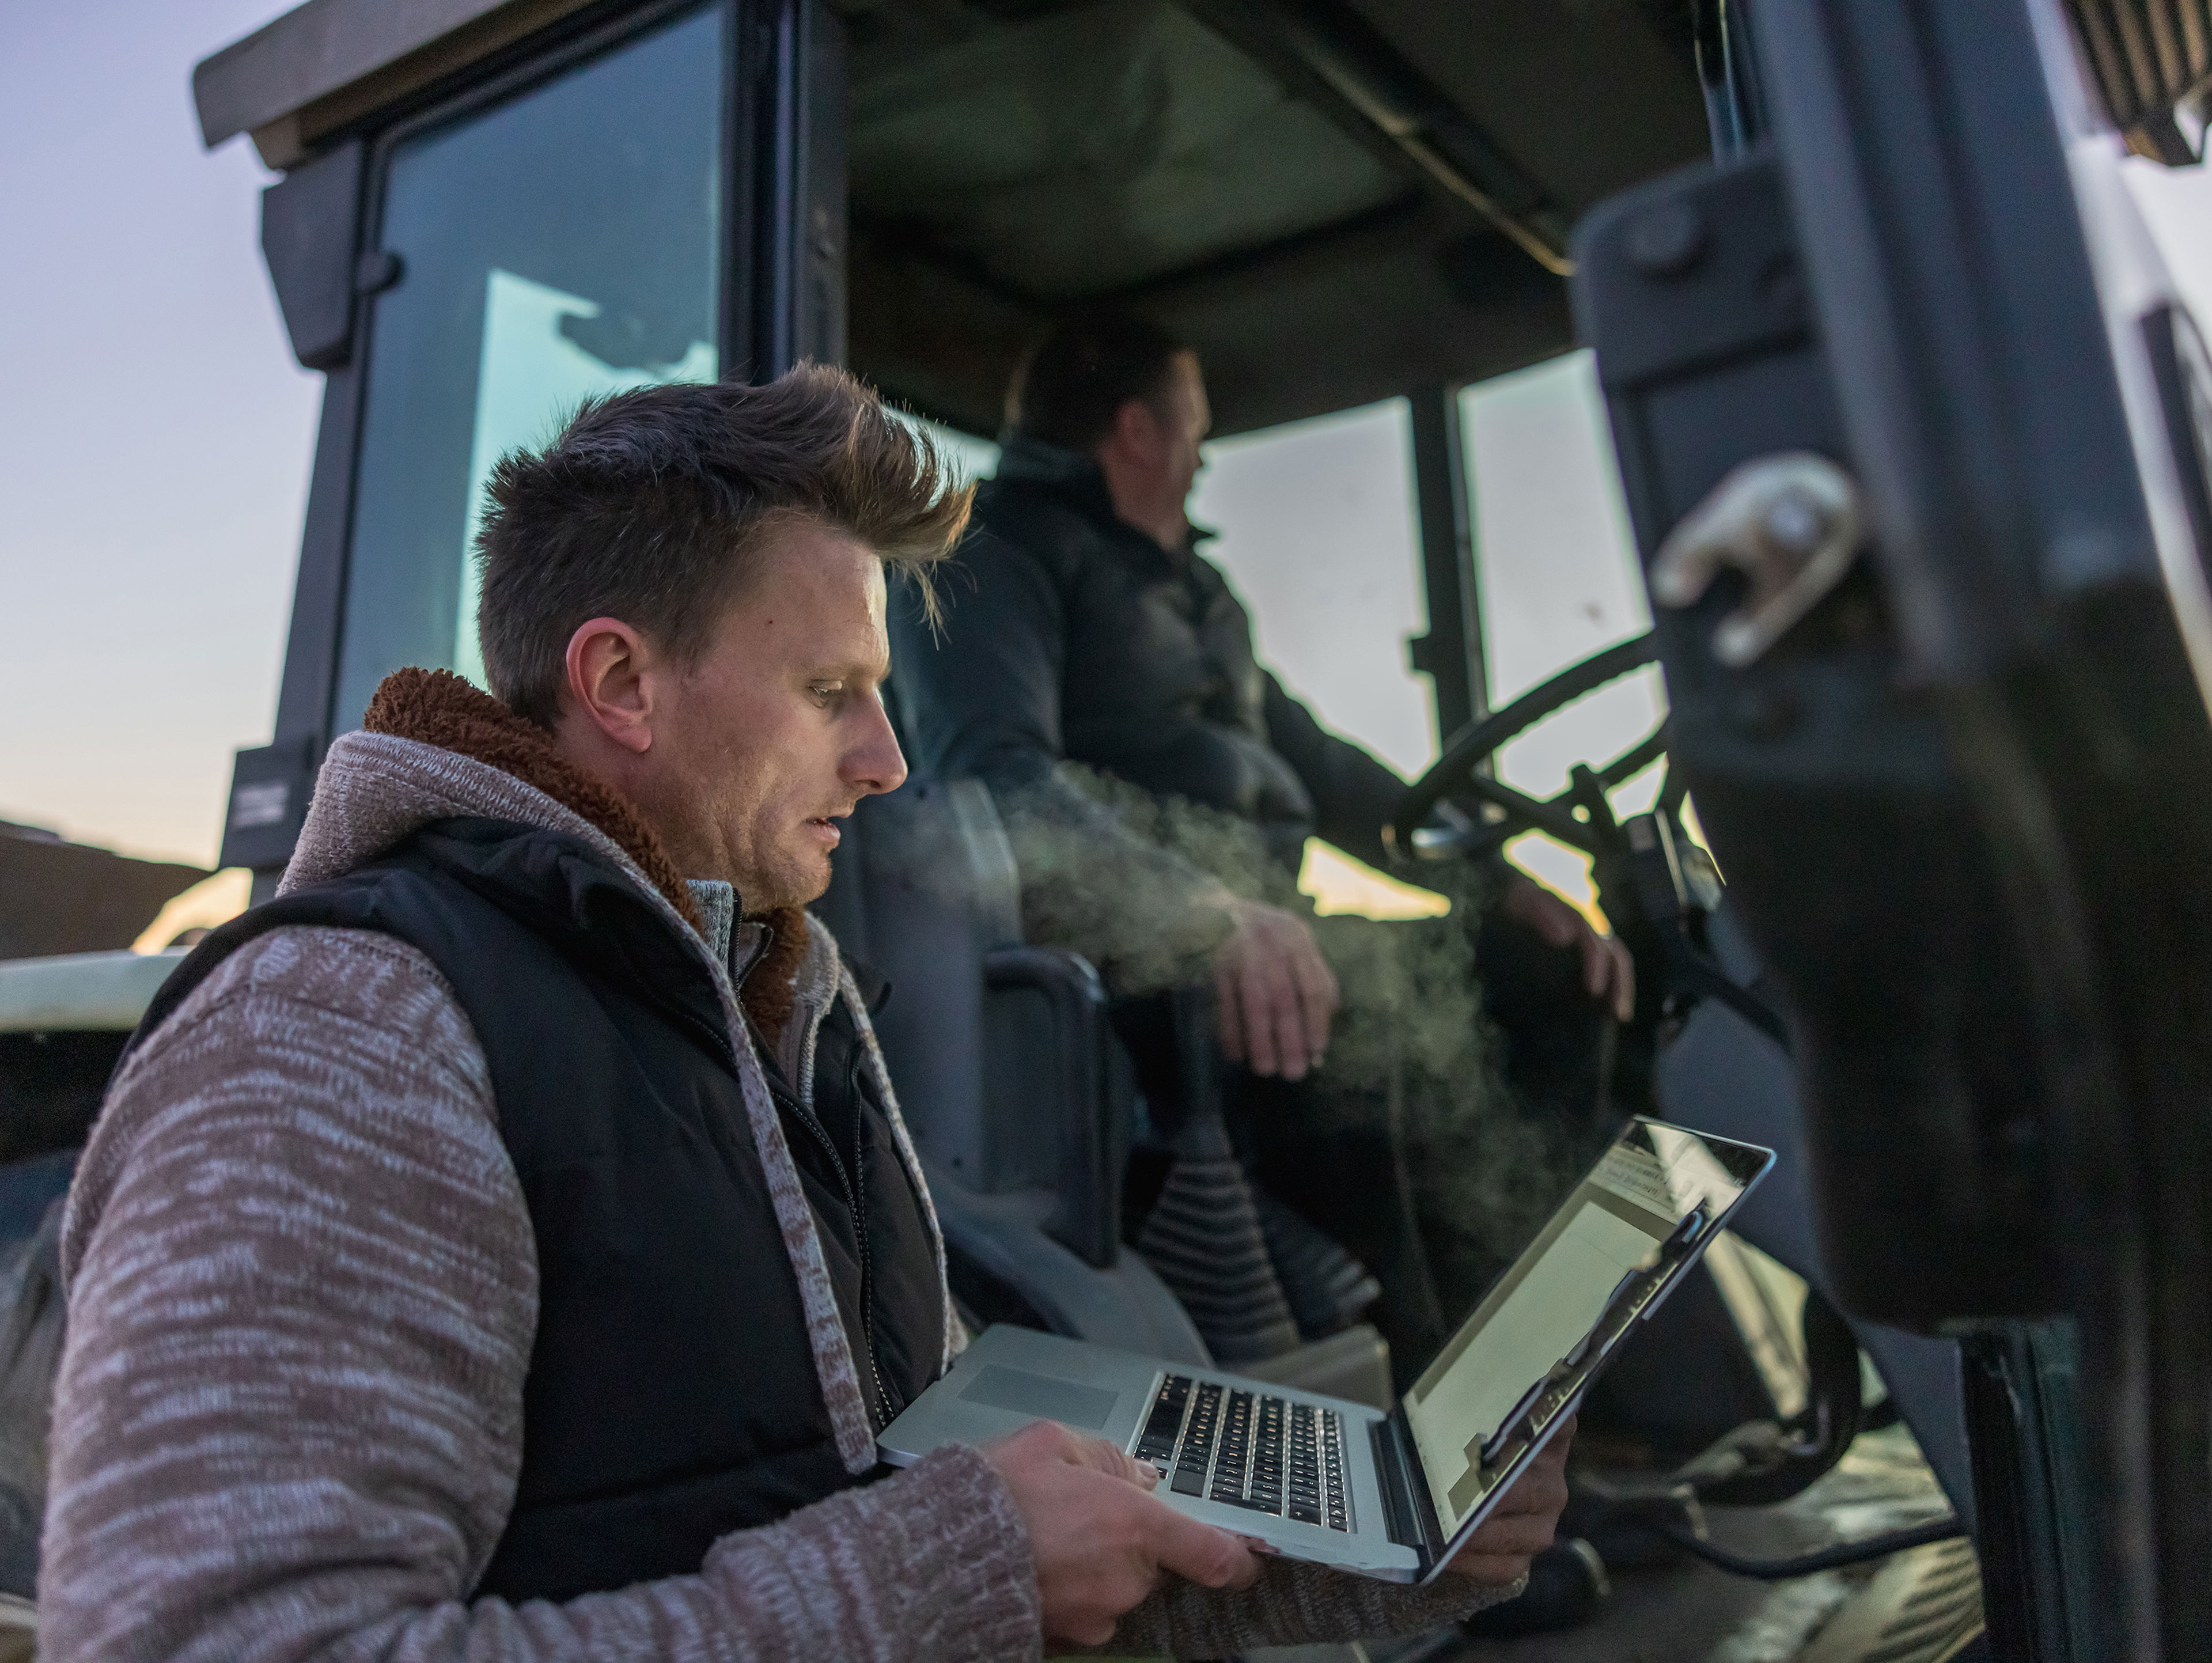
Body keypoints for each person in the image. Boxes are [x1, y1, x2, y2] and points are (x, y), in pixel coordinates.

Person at [41, 369, 1570, 1661]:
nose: (891, 759)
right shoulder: (346, 1038)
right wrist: (944, 1573)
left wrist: (1378, 1539)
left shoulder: (785, 1005)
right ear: (625, 683)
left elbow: (992, 1531)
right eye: (834, 687)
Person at [890, 315, 1637, 1362]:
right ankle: (1425, 1398)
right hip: (1124, 953)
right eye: (1196, 427)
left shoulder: (1201, 597)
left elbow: (1326, 773)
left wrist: (1499, 877)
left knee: (1549, 970)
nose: (1206, 456)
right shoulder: (992, 548)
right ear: (1140, 430)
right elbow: (994, 777)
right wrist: (1192, 912)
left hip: (1267, 920)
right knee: (1365, 1004)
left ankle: (1531, 1357)